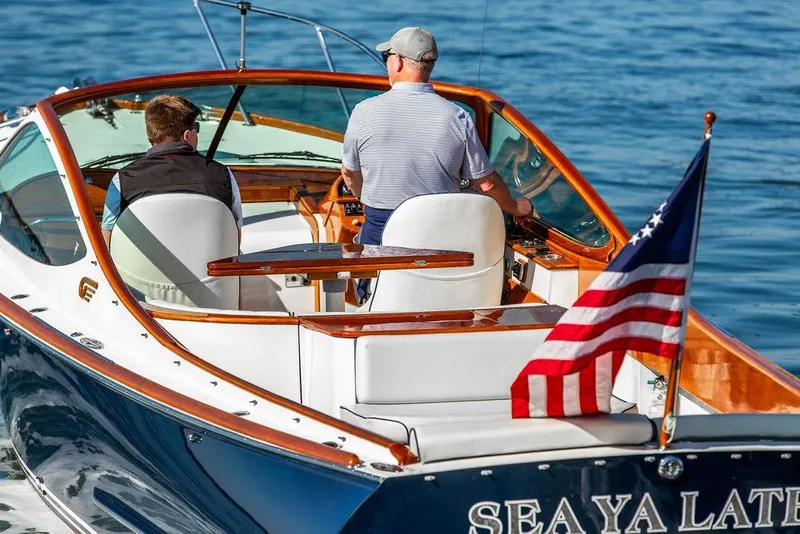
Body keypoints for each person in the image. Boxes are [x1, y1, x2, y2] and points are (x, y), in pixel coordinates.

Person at [340, 27, 532, 301]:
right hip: (442, 242)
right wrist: (515, 207)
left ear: (397, 62)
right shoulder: (457, 116)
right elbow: (486, 183)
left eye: (387, 57)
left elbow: (349, 172)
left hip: (381, 239)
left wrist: (362, 195)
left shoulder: (363, 112)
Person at [101, 94, 243, 247]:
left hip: (142, 271)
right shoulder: (223, 175)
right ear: (187, 135)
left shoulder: (122, 180)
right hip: (208, 270)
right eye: (196, 128)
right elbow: (235, 236)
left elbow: (107, 235)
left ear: (151, 134)